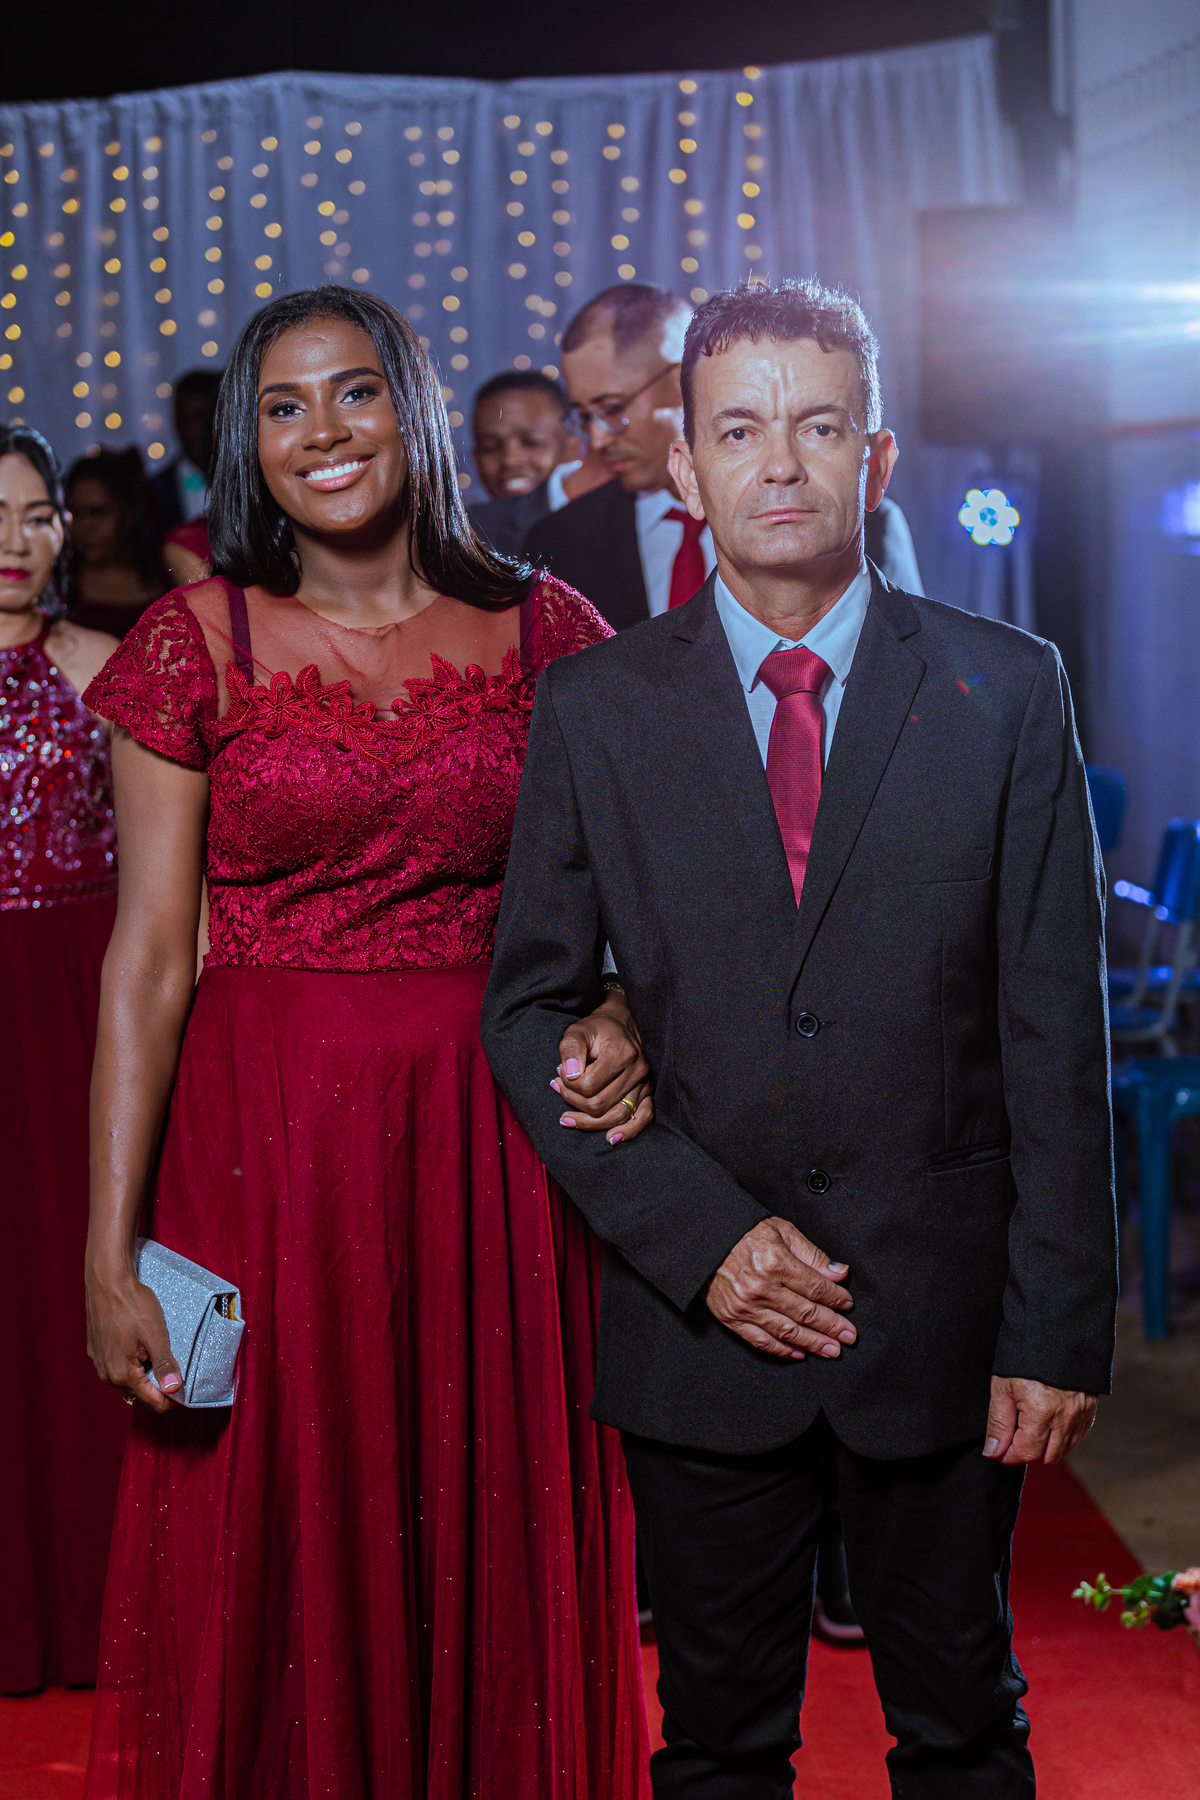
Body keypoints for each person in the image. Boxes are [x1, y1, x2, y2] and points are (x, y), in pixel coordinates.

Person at [482, 278, 1117, 1796]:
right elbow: (531, 1007)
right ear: (683, 466)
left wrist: (1052, 1327)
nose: (780, 464)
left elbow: (1054, 1030)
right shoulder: (593, 707)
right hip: (700, 1327)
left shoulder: (1004, 687)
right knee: (716, 1741)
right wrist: (699, 1240)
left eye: (820, 427)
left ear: (875, 459)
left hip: (941, 1320)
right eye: (740, 431)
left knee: (965, 1727)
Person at [82, 286, 651, 1800]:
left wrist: (617, 1010)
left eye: (354, 392)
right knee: (274, 1520)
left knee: (487, 1504)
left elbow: (641, 907)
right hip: (265, 1151)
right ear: (246, 443)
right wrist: (109, 1251)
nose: (322, 431)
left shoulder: (550, 629)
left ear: (414, 409)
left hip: (496, 1151)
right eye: (283, 405)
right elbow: (148, 960)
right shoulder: (191, 642)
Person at [0, 424, 128, 1694]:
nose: (16, 540)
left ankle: (99, 1597)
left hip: (81, 1003)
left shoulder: (106, 667)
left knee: (80, 1268)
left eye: (37, 515)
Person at [523, 284, 716, 631]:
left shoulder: (776, 502)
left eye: (612, 409)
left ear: (682, 382)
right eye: (585, 415)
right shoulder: (560, 542)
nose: (597, 441)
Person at [467, 370, 605, 555]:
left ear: (572, 449)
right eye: (490, 447)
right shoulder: (463, 533)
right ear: (476, 458)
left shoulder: (607, 520)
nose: (510, 460)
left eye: (531, 443)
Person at [65, 448, 166, 638]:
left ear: (130, 513)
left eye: (98, 512)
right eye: (75, 513)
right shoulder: (59, 591)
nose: (84, 526)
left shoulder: (168, 580)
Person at [148, 368, 221, 529]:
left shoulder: (252, 479)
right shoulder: (154, 490)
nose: (189, 429)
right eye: (181, 419)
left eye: (199, 417)